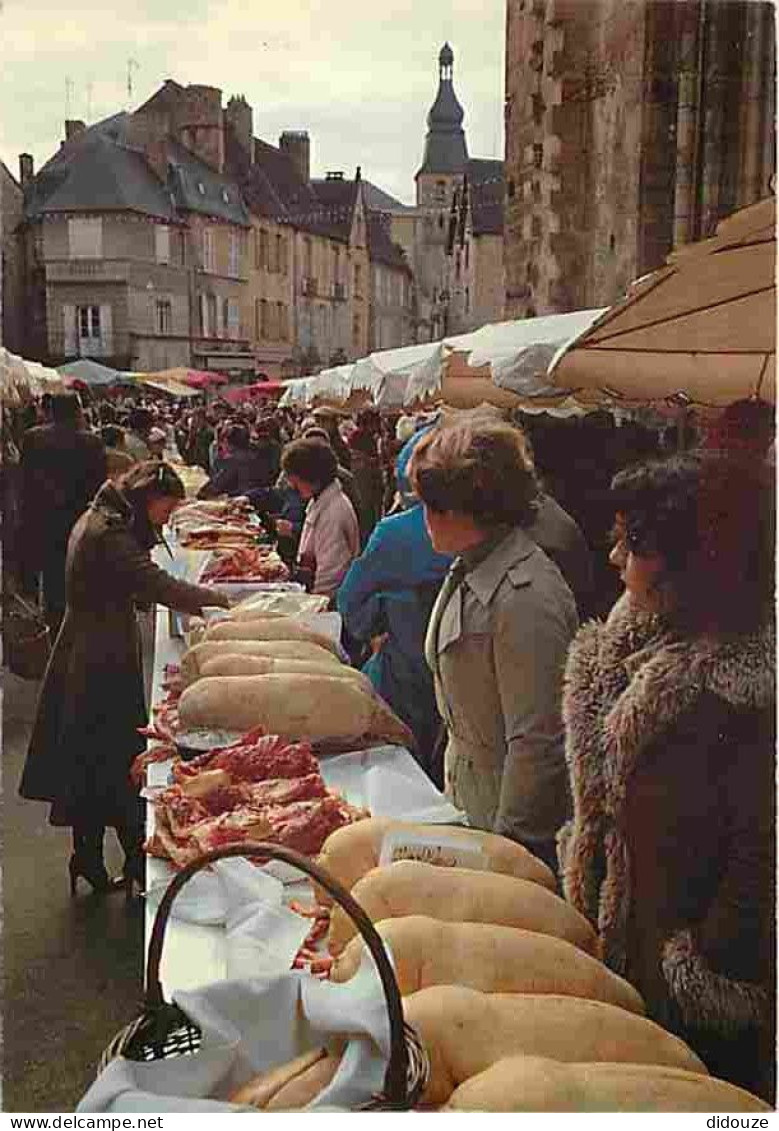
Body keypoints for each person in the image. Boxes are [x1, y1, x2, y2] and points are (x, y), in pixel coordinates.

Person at [557, 451, 775, 1102]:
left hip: (685, 982)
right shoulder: (627, 646)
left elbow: (760, 850)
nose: (616, 558)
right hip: (618, 943)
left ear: (692, 563)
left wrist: (701, 961)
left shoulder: (743, 694)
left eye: (633, 542)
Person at [19, 462, 230, 896]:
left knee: (92, 761)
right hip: (99, 660)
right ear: (148, 498)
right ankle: (130, 858)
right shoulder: (110, 534)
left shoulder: (102, 516)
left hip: (90, 649)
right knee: (115, 758)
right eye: (166, 510)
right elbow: (157, 585)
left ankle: (92, 857)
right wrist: (219, 602)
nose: (167, 520)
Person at [408, 419, 578, 872]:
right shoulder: (473, 566)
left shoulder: (525, 598)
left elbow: (538, 743)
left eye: (433, 507)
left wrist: (506, 855)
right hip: (469, 800)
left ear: (471, 508)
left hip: (506, 829)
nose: (424, 518)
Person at [337, 427, 451, 781]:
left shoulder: (395, 532)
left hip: (406, 675)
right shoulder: (496, 532)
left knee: (401, 772)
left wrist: (373, 626)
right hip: (463, 691)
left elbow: (350, 600)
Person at [19, 392, 107, 631]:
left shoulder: (32, 438)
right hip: (80, 524)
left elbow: (25, 487)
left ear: (50, 412)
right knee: (80, 583)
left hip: (45, 523)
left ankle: (56, 635)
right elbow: (99, 490)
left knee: (53, 583)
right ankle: (77, 633)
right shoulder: (92, 442)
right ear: (77, 412)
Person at [281, 437, 360, 602]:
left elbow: (330, 574)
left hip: (327, 602)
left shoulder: (334, 512)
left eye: (296, 479)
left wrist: (310, 606)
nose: (292, 485)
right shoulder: (319, 500)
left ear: (311, 477)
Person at [197, 424, 275, 499]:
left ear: (228, 442)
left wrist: (200, 493)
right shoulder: (258, 454)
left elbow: (216, 485)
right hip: (262, 498)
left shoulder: (234, 460)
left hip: (243, 501)